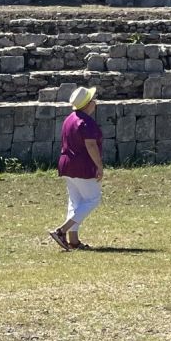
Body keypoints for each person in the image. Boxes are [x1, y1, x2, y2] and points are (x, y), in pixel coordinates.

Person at [49, 86, 104, 251]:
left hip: (67, 164)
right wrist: (99, 166)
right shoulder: (86, 122)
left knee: (76, 201)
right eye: (92, 99)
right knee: (93, 199)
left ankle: (73, 240)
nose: (95, 102)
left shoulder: (70, 119)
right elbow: (91, 145)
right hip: (82, 165)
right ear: (88, 104)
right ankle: (62, 231)